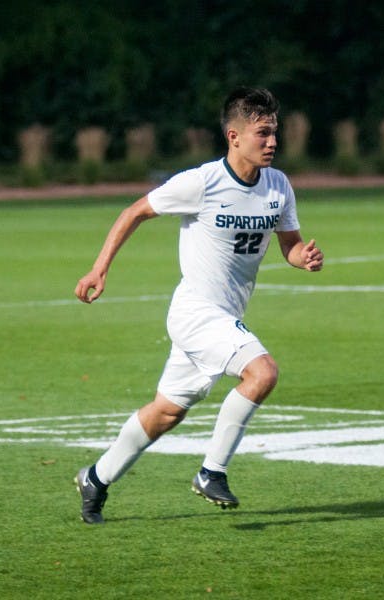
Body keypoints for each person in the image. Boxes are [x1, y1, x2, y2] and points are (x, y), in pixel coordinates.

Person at [72, 87, 323, 524]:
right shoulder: (202, 182)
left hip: (225, 317)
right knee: (262, 372)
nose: (272, 142)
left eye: (274, 133)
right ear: (234, 136)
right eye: (262, 133)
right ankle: (212, 472)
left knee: (166, 411)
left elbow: (291, 246)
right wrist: (99, 269)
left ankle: (96, 477)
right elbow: (134, 212)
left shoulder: (278, 185)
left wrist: (304, 258)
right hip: (196, 312)